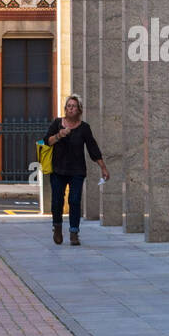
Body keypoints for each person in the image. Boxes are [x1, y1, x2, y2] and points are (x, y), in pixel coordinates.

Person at [44, 95, 108, 246]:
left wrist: (103, 167)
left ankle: (74, 232)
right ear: (65, 109)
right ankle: (57, 228)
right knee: (57, 201)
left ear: (79, 109)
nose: (70, 108)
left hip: (77, 171)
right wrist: (59, 135)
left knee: (74, 200)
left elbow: (93, 148)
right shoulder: (57, 123)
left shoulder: (84, 128)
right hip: (58, 170)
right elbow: (47, 141)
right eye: (68, 106)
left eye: (74, 106)